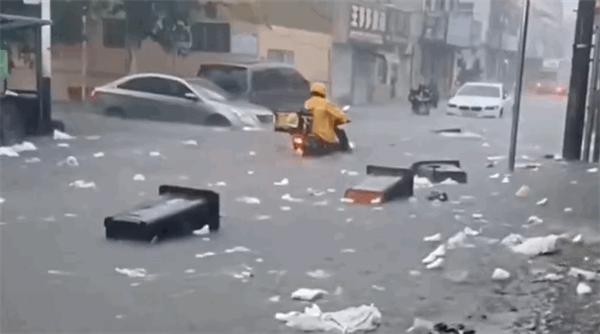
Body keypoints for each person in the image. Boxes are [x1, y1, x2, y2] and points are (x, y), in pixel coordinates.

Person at [304, 82, 351, 151]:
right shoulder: (326, 103)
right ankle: (345, 149)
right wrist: (346, 119)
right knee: (340, 135)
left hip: (307, 133)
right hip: (323, 135)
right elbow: (338, 113)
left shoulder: (307, 103)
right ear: (323, 91)